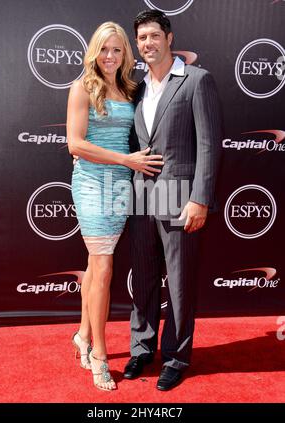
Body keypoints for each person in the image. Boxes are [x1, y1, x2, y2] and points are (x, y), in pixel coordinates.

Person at [123, 10, 223, 391]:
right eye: (141, 39)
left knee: (179, 284)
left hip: (181, 199)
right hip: (140, 198)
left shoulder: (198, 80)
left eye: (153, 36)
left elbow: (210, 145)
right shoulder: (137, 87)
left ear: (168, 36)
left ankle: (177, 357)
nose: (147, 44)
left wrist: (200, 199)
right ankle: (141, 348)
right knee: (144, 279)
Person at [66, 21, 164, 391]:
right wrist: (126, 161)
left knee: (95, 266)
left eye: (117, 50)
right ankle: (99, 356)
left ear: (125, 55)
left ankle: (82, 335)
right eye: (104, 49)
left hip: (121, 186)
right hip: (92, 185)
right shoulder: (82, 88)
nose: (110, 56)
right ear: (94, 51)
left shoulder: (129, 89)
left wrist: (129, 166)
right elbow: (75, 144)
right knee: (104, 266)